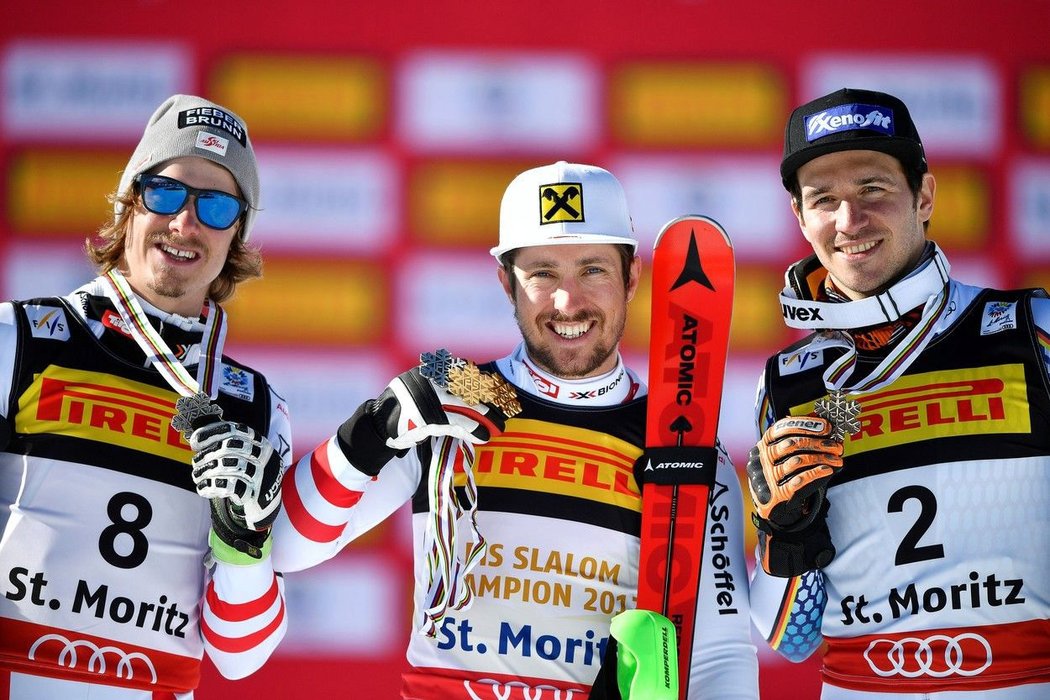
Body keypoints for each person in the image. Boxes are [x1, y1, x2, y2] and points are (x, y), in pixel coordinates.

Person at [272, 161, 758, 699]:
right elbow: (287, 549)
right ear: (505, 281)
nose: (567, 302)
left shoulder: (680, 444)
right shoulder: (454, 395)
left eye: (593, 270)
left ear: (633, 277)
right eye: (542, 273)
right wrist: (367, 431)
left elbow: (721, 655)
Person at [746, 87, 1050, 698]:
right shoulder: (791, 382)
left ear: (926, 196)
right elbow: (790, 637)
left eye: (873, 190)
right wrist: (786, 536)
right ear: (801, 220)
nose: (849, 221)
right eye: (823, 200)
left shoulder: (1031, 331)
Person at [0, 94, 290, 699]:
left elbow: (241, 658)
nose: (185, 224)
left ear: (236, 234)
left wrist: (241, 547)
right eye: (165, 193)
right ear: (128, 203)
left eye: (215, 206)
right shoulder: (17, 342)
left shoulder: (256, 411)